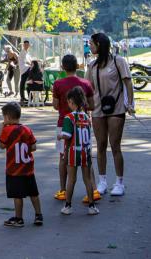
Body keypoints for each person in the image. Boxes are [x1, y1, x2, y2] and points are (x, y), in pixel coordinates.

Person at [87, 32, 134, 197]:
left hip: (117, 108)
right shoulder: (92, 66)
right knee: (100, 145)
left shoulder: (118, 61)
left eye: (91, 43)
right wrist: (85, 107)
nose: (89, 46)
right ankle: (102, 181)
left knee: (115, 146)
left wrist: (130, 104)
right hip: (98, 109)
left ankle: (119, 182)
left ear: (99, 44)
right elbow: (88, 88)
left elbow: (128, 82)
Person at [51, 54, 97, 203]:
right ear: (77, 66)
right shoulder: (86, 83)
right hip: (83, 124)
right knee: (85, 155)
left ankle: (63, 190)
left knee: (63, 157)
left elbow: (55, 105)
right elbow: (92, 105)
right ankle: (93, 190)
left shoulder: (58, 84)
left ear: (63, 67)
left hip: (63, 122)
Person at [0, 101, 43, 228]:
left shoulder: (7, 130)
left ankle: (19, 218)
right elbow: (34, 147)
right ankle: (38, 215)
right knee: (33, 193)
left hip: (14, 170)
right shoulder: (26, 129)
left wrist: (1, 130)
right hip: (28, 169)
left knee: (17, 195)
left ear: (7, 117)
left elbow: (2, 146)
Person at [58, 86, 98, 215]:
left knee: (72, 179)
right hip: (85, 152)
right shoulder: (86, 117)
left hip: (73, 152)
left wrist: (60, 136)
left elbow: (68, 135)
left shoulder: (69, 117)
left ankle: (68, 206)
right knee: (87, 179)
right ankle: (92, 206)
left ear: (71, 102)